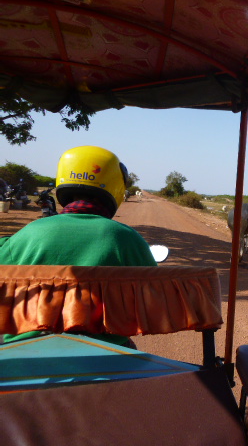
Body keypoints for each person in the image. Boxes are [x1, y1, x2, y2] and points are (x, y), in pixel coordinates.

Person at [0, 145, 156, 346]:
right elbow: (152, 297)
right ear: (115, 185)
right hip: (104, 348)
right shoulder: (126, 237)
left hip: (26, 347)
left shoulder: (30, 231)